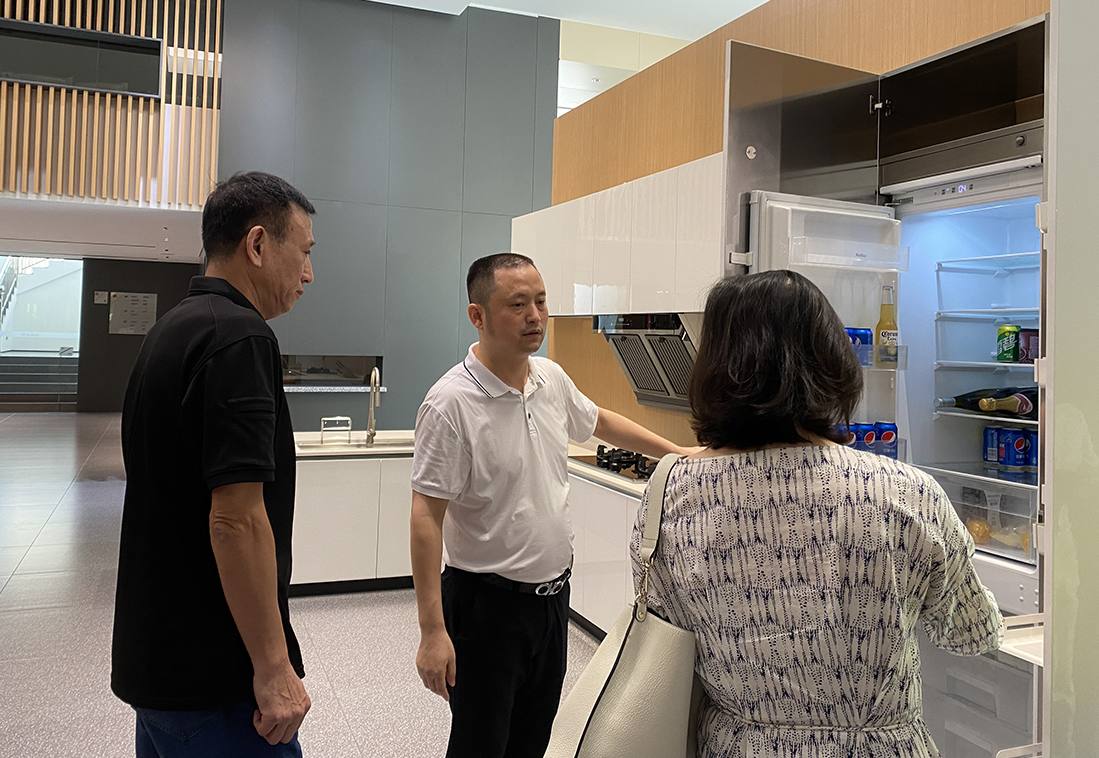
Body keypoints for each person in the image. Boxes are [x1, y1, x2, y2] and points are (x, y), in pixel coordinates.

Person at [630, 270, 1003, 758]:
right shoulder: (907, 493)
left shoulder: (669, 496)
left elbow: (663, 634)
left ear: (712, 369)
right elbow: (972, 633)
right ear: (833, 360)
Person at [410, 252, 696, 758]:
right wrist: (432, 630)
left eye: (541, 302)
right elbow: (426, 517)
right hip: (485, 608)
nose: (535, 316)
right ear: (478, 315)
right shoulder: (450, 403)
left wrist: (675, 452)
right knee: (480, 745)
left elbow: (598, 420)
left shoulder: (550, 378)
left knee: (532, 740)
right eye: (517, 304)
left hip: (550, 602)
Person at [112, 172, 316, 757]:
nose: (308, 274)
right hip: (217, 680)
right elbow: (235, 519)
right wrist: (274, 669)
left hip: (159, 663)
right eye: (304, 253)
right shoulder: (240, 337)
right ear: (258, 244)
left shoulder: (171, 330)